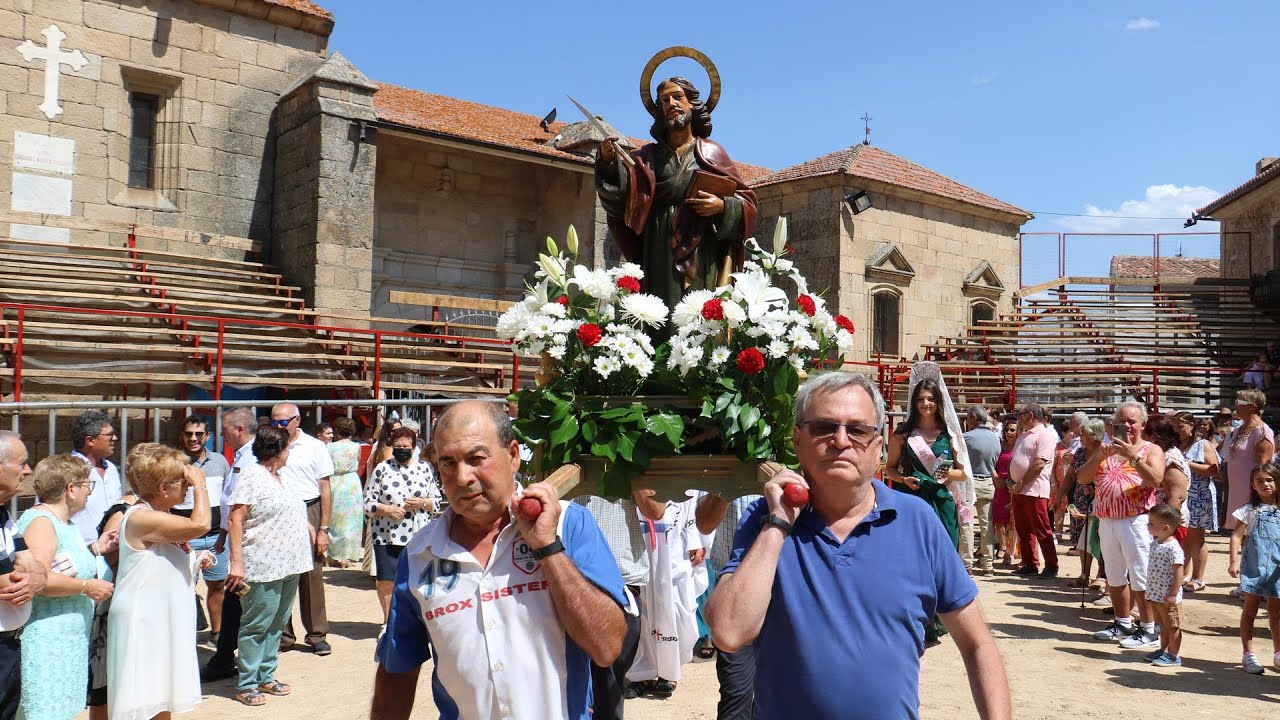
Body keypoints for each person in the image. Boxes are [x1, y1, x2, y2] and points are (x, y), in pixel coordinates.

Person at [705, 371, 1010, 719]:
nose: (840, 440)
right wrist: (778, 525)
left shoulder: (917, 521)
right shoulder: (766, 519)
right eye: (822, 427)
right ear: (797, 440)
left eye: (858, 430)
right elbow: (728, 632)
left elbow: (978, 644)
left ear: (878, 446)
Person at [370, 401, 627, 720]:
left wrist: (547, 547)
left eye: (476, 459)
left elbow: (607, 647)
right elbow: (397, 670)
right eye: (447, 463)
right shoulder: (421, 553)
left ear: (514, 455)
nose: (462, 477)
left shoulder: (569, 526)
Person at [596, 75, 758, 309]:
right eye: (664, 100)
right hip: (657, 247)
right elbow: (620, 201)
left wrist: (723, 206)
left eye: (677, 97)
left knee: (698, 312)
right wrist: (608, 164)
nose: (671, 103)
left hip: (702, 246)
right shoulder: (646, 158)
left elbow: (748, 202)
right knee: (659, 313)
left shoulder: (712, 153)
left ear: (691, 103)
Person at [107, 444, 213, 719]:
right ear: (164, 488)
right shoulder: (141, 516)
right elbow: (201, 524)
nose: (188, 486)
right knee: (143, 701)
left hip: (160, 618)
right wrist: (202, 485)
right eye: (183, 482)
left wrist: (195, 558)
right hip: (143, 620)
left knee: (162, 698)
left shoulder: (159, 514)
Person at [18, 454, 114, 720]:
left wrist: (96, 549)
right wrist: (87, 586)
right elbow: (39, 579)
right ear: (71, 489)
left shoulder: (63, 523)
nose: (89, 492)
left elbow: (63, 561)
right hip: (48, 637)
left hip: (67, 637)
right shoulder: (42, 522)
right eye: (87, 485)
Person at [225, 426, 312, 707]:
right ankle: (247, 682)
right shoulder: (252, 476)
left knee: (276, 623)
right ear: (279, 451)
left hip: (289, 563)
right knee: (256, 623)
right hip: (262, 564)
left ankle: (267, 675)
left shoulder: (279, 477)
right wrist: (236, 563)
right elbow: (235, 520)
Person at [1079, 401, 1166, 650]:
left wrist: (1133, 457)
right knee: (1114, 575)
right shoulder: (1105, 449)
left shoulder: (1151, 450)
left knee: (1140, 574)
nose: (1127, 426)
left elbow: (1156, 480)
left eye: (1132, 421)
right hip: (1107, 519)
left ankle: (1149, 629)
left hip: (1136, 519)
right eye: (1122, 421)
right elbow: (1084, 477)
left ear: (1143, 424)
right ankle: (1122, 621)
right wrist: (1098, 456)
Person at [573, 492, 659, 715]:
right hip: (568, 581)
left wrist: (632, 468)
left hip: (620, 583)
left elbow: (656, 510)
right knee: (567, 686)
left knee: (608, 692)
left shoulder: (632, 461)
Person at [271, 402, 334, 655]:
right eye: (274, 421)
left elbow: (326, 488)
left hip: (310, 508)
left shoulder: (315, 447)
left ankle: (317, 634)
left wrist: (324, 529)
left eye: (283, 421)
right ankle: (283, 635)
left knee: (311, 575)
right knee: (280, 573)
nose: (278, 426)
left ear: (297, 420)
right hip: (277, 513)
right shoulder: (268, 444)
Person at [201, 407, 257, 683]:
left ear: (239, 429)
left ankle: (229, 657)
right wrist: (223, 535)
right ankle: (226, 655)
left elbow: (240, 504)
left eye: (224, 429)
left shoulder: (252, 457)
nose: (222, 434)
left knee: (240, 600)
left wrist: (231, 543)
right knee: (236, 600)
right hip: (234, 536)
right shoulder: (241, 455)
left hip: (246, 540)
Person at [693, 493, 760, 720]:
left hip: (785, 593)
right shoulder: (727, 463)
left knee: (782, 694)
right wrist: (726, 487)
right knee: (736, 694)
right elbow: (704, 523)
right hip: (735, 595)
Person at [364, 427, 440, 623]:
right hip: (386, 534)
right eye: (398, 446)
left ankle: (415, 620)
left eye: (406, 446)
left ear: (414, 447)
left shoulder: (425, 468)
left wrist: (422, 502)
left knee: (417, 579)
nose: (402, 449)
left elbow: (437, 501)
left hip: (418, 534)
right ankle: (389, 621)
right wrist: (386, 509)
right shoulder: (382, 468)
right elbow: (367, 502)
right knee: (386, 581)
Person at [0, 431, 47, 720]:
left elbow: (35, 564)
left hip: (10, 643)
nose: (28, 470)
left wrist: (36, 579)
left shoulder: (4, 515)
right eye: (22, 463)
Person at [173, 414, 231, 646]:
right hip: (186, 538)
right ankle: (182, 636)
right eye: (189, 434)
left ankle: (217, 634)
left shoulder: (220, 462)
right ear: (183, 435)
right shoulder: (173, 462)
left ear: (208, 436)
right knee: (183, 588)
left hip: (216, 537)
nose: (193, 439)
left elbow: (227, 496)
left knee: (218, 586)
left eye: (199, 434)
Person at [1227, 463, 1280, 674]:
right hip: (1254, 567)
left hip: (1277, 569)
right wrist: (1233, 561)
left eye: (1270, 480)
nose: (1265, 484)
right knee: (1250, 609)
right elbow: (1236, 536)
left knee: (1275, 612)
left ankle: (1278, 653)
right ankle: (1248, 654)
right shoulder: (1248, 510)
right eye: (1260, 481)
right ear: (1253, 485)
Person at [1007, 403, 1058, 578]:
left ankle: (1051, 565)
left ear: (1029, 415)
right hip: (1020, 489)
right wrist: (1011, 480)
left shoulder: (1044, 435)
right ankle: (1029, 563)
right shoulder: (1023, 435)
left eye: (1020, 414)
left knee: (1042, 529)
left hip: (1034, 490)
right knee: (1023, 528)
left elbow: (1039, 463)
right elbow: (1015, 459)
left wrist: (1020, 483)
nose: (1018, 417)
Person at [1176, 412, 1219, 592]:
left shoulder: (1202, 444)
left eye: (1180, 426)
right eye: (1175, 427)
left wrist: (1188, 463)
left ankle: (1198, 578)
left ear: (1191, 426)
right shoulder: (1177, 445)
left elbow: (1213, 469)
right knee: (1184, 536)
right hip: (1184, 495)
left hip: (1200, 494)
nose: (1177, 430)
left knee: (1196, 537)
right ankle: (1184, 575)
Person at [69, 411, 124, 545]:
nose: (115, 438)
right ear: (90, 440)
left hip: (113, 547)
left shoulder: (111, 468)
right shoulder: (65, 470)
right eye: (109, 435)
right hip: (82, 550)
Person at [1223, 390, 1275, 531]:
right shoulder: (1238, 430)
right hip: (1236, 490)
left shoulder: (1262, 431)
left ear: (1251, 406)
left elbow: (1264, 467)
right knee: (1241, 535)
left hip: (1252, 492)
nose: (1235, 406)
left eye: (1238, 402)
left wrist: (1258, 494)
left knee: (1252, 533)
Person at [1143, 503, 1185, 668]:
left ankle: (1173, 655)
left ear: (1166, 527)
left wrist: (1173, 594)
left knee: (1172, 626)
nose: (1148, 525)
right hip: (1156, 594)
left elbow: (1178, 573)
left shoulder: (1173, 548)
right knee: (1162, 625)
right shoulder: (1155, 543)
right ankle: (1163, 650)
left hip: (1168, 597)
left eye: (1152, 523)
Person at [963, 406, 1001, 576]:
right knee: (986, 525)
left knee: (967, 524)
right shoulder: (995, 438)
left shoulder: (966, 437)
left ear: (973, 417)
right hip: (987, 483)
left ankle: (967, 563)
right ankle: (988, 564)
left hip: (969, 483)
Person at [1067, 419, 1104, 592]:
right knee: (1083, 539)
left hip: (1099, 501)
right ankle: (1084, 574)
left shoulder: (1105, 452)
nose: (1079, 436)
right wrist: (1060, 494)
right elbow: (1071, 475)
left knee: (1098, 539)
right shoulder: (1080, 452)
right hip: (1081, 499)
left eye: (1083, 434)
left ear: (1094, 436)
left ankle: (1101, 576)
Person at [325, 417, 364, 567]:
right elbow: (358, 462)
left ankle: (333, 553)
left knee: (335, 519)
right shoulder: (356, 447)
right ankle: (346, 555)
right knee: (351, 520)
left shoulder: (330, 447)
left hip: (335, 480)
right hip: (351, 482)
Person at [992, 417, 1019, 566]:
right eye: (1007, 430)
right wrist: (995, 478)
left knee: (1014, 519)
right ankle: (1002, 546)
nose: (1009, 432)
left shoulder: (1021, 446)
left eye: (1012, 430)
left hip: (1015, 485)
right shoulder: (999, 446)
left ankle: (1012, 548)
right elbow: (990, 462)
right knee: (1000, 518)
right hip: (1000, 486)